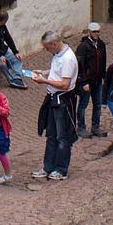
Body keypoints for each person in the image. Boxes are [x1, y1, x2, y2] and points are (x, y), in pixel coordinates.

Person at [29, 30, 78, 181]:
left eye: (47, 48)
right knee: (51, 135)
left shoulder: (69, 58)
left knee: (62, 136)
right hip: (53, 99)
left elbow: (65, 83)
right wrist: (45, 73)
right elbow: (58, 72)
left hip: (63, 100)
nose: (47, 51)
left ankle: (61, 168)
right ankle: (48, 166)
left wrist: (44, 81)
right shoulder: (58, 55)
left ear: (54, 44)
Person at [74, 22, 107, 138]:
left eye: (98, 32)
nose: (96, 34)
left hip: (97, 81)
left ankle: (95, 126)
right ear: (89, 32)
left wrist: (104, 77)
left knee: (97, 104)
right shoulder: (83, 46)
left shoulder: (101, 45)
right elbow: (79, 65)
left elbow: (103, 62)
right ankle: (81, 127)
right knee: (83, 105)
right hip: (87, 81)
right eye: (94, 32)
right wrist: (83, 81)